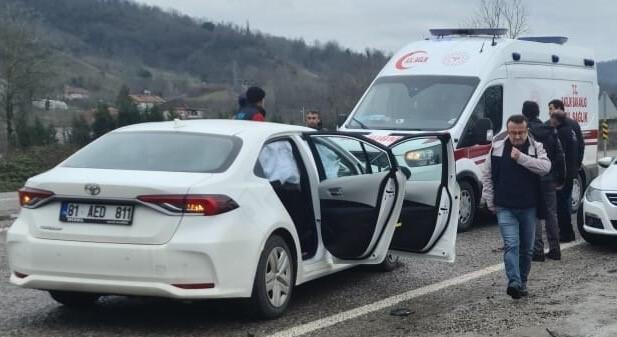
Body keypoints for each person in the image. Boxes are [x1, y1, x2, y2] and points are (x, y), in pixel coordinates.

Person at [482, 115, 551, 299]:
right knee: (511, 245)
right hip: (505, 206)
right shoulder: (496, 148)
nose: (518, 136)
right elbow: (487, 175)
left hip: (529, 207)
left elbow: (545, 167)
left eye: (521, 132)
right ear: (508, 131)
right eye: (514, 132)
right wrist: (489, 199)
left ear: (526, 130)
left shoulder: (536, 147)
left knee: (527, 249)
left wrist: (521, 158)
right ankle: (513, 282)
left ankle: (523, 282)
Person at [521, 101, 566, 261]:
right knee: (551, 214)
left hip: (533, 178)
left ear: (524, 113)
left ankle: (538, 251)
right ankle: (555, 249)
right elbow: (560, 155)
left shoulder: (528, 132)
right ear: (538, 112)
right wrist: (560, 178)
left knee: (534, 214)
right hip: (550, 178)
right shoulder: (551, 130)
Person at [549, 99, 582, 242]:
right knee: (565, 202)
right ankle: (568, 232)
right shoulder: (571, 128)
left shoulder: (560, 132)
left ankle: (566, 233)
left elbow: (558, 155)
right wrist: (577, 164)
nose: (549, 115)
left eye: (551, 110)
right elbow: (580, 146)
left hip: (562, 174)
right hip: (571, 170)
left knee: (562, 204)